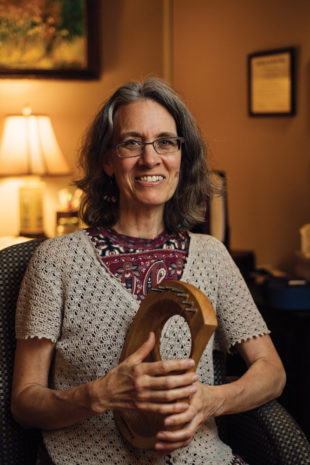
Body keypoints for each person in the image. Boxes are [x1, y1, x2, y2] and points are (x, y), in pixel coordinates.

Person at [12, 78, 286, 465]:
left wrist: (211, 400)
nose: (150, 158)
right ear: (107, 160)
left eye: (165, 142)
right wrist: (97, 395)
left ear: (180, 157)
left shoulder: (212, 256)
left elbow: (271, 372)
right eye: (131, 143)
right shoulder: (55, 261)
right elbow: (25, 402)